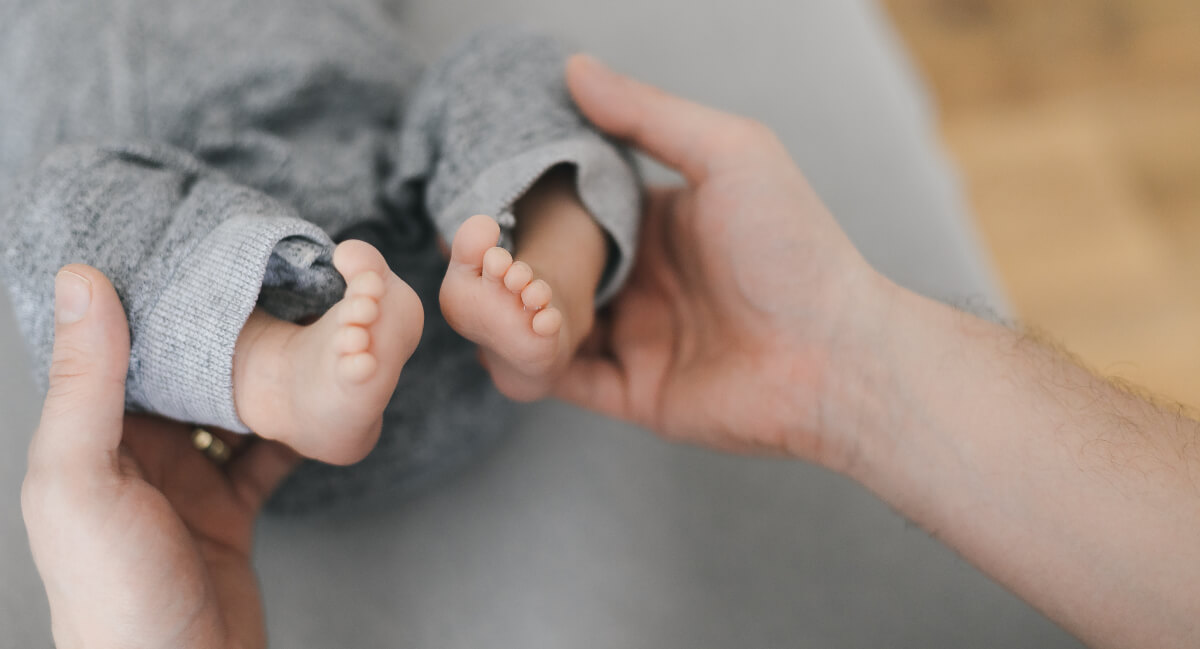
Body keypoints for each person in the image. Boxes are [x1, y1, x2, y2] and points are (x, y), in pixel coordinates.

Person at [22, 56, 1199, 649]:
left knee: (511, 68)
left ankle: (542, 287)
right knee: (65, 207)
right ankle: (290, 358)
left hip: (420, 262)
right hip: (229, 371)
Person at [1, 0, 639, 504]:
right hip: (217, 352)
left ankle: (549, 273)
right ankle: (275, 369)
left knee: (514, 57)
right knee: (59, 212)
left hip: (423, 197)